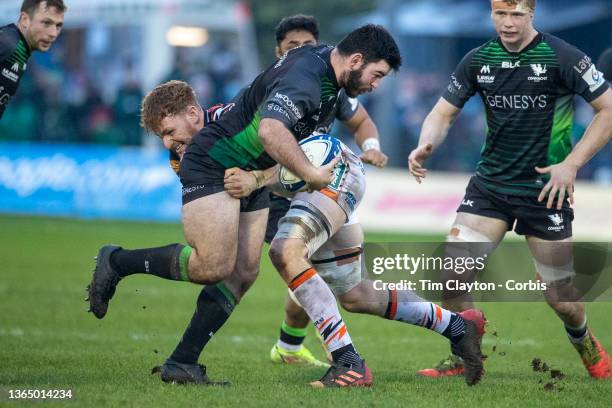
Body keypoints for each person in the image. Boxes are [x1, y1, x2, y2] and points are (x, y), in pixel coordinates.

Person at [408, 0, 612, 379]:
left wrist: (571, 165)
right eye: (500, 13)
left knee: (561, 298)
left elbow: (608, 109)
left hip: (544, 192)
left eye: (516, 14)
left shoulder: (562, 57)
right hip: (490, 188)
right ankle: (465, 356)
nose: (508, 22)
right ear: (491, 13)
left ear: (532, 13)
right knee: (452, 275)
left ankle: (584, 340)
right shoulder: (477, 60)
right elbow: (442, 112)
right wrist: (426, 143)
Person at [267, 14, 388, 368]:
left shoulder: (334, 86)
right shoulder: (281, 83)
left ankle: (289, 348)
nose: (301, 52)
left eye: (307, 46)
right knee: (249, 269)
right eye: (293, 47)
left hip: (314, 186)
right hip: (272, 189)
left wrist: (372, 144)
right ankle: (328, 355)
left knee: (307, 268)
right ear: (279, 51)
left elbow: (361, 121)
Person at [0, 0, 65, 119]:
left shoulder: (24, 49)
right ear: (25, 20)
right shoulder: (8, 42)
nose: (53, 33)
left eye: (58, 26)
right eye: (46, 23)